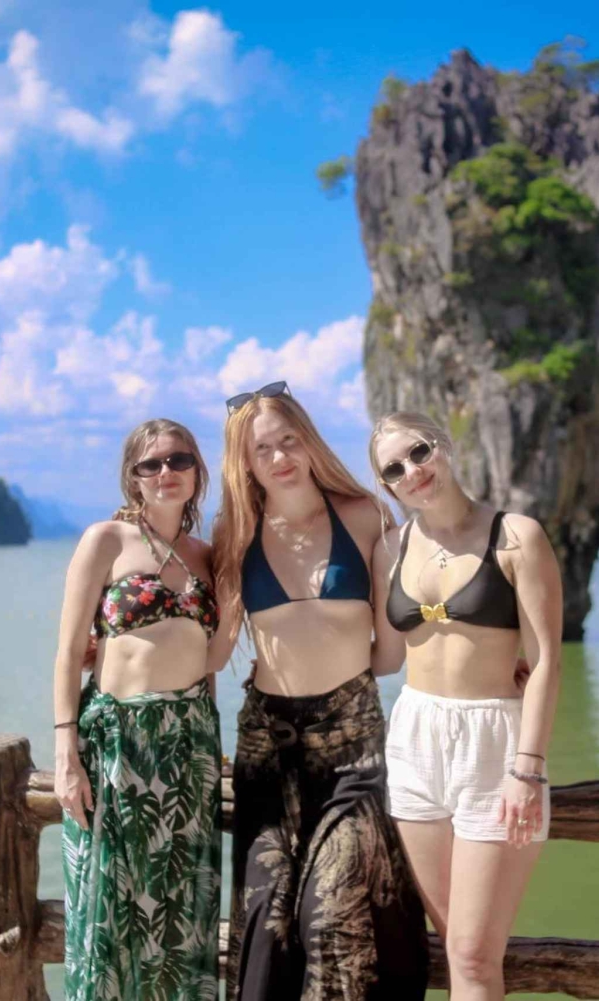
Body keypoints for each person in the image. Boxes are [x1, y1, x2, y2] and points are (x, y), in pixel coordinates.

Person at [211, 382, 429, 1001]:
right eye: (262, 450)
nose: (280, 457)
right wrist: (112, 647)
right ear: (244, 463)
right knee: (266, 918)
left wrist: (491, 657)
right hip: (267, 751)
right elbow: (217, 651)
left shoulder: (366, 517)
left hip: (352, 750)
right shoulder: (236, 533)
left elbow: (394, 649)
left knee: (332, 915)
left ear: (308, 441)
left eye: (288, 440)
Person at [368, 411, 563, 1001]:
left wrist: (527, 769)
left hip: (494, 746)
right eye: (394, 469)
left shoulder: (517, 536)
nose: (412, 472)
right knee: (455, 944)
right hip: (414, 742)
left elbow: (547, 661)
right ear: (387, 486)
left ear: (444, 446)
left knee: (475, 955)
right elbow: (384, 659)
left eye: (419, 452)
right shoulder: (390, 548)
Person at [52, 418, 226, 1001]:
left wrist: (215, 748)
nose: (165, 472)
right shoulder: (106, 540)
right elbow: (67, 652)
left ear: (198, 471)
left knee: (180, 913)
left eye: (178, 460)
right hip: (117, 740)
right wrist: (66, 753)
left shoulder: (207, 557)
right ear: (133, 478)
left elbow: (207, 660)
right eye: (150, 464)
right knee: (109, 912)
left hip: (189, 744)